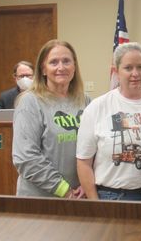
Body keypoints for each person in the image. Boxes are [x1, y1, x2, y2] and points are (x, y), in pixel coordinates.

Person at [76, 43, 141, 201]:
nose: (135, 73)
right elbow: (84, 162)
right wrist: (94, 203)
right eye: (128, 68)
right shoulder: (97, 107)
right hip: (114, 197)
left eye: (140, 67)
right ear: (116, 72)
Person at [12, 40, 90, 198]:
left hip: (79, 196)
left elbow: (96, 148)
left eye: (66, 61)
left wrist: (86, 183)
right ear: (43, 69)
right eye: (54, 62)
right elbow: (26, 157)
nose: (61, 67)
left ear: (74, 66)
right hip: (41, 200)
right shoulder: (30, 101)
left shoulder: (86, 101)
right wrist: (65, 190)